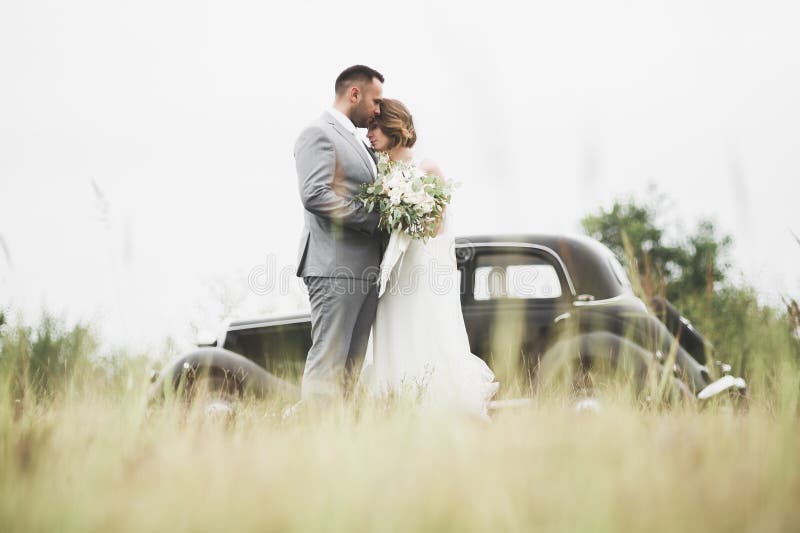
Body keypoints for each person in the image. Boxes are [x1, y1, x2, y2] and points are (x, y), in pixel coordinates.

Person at [358, 99, 499, 420]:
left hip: (420, 271)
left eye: (375, 126)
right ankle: (396, 412)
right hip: (391, 272)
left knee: (425, 335)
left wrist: (404, 215)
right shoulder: (376, 171)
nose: (369, 134)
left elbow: (437, 226)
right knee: (392, 337)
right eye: (367, 127)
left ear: (394, 125)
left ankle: (440, 416)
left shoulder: (427, 167)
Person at [292, 65, 386, 407]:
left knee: (350, 370)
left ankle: (338, 444)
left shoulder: (358, 143)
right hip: (333, 267)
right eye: (375, 102)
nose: (378, 110)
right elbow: (315, 194)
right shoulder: (318, 133)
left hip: (364, 270)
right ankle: (315, 444)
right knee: (328, 365)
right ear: (355, 94)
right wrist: (376, 219)